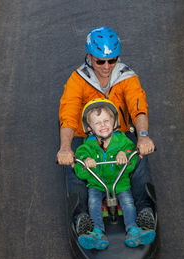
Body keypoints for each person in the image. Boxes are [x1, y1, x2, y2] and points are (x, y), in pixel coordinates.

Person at [57, 26, 156, 234]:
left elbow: (139, 109)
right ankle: (82, 218)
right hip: (85, 135)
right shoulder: (77, 80)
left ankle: (145, 214)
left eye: (112, 60)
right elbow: (68, 115)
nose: (106, 66)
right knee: (74, 167)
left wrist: (144, 137)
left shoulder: (126, 76)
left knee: (139, 160)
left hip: (118, 132)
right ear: (89, 57)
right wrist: (65, 148)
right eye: (100, 61)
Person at [74, 99, 156, 250]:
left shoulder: (122, 140)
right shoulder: (87, 146)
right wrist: (87, 160)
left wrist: (124, 153)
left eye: (106, 121)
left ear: (114, 122)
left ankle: (133, 230)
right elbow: (79, 162)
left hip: (120, 182)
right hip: (97, 183)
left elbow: (132, 152)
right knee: (93, 202)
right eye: (97, 123)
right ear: (90, 128)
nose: (103, 125)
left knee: (128, 202)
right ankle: (97, 232)